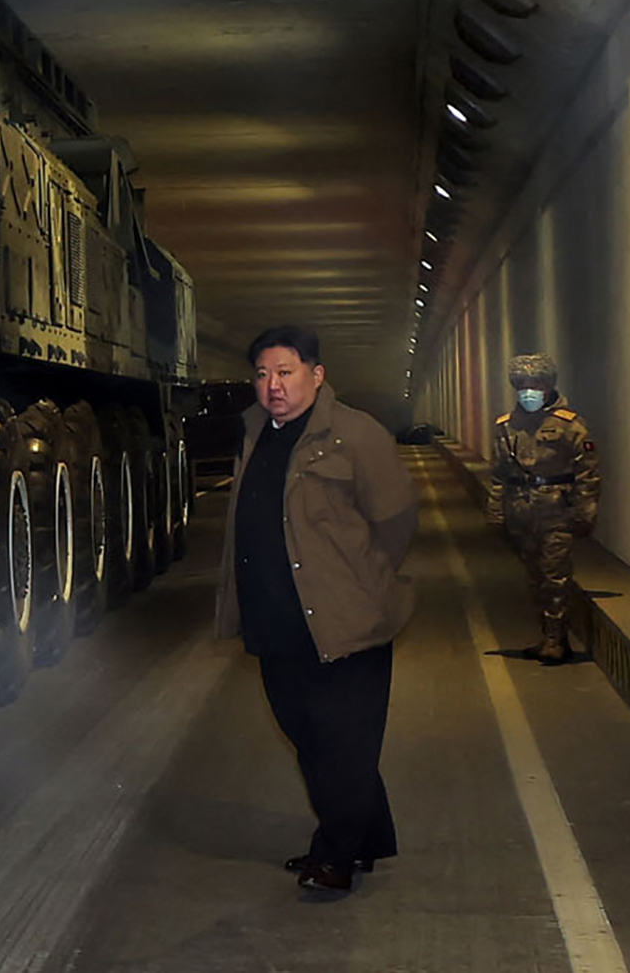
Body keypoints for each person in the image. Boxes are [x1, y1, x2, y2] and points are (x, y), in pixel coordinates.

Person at [215, 325, 418, 896]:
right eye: (261, 374)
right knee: (307, 736)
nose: (272, 385)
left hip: (346, 624)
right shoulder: (254, 433)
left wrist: (362, 587)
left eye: (285, 372)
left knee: (344, 743)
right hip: (276, 622)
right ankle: (363, 836)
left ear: (316, 374)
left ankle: (336, 856)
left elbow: (397, 521)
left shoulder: (355, 435)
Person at [490, 354, 600, 665]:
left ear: (548, 385)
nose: (528, 391)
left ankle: (557, 639)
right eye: (522, 385)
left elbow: (588, 473)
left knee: (555, 576)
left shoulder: (570, 425)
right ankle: (547, 634)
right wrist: (496, 510)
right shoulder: (507, 426)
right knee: (535, 577)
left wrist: (585, 512)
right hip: (522, 510)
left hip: (557, 511)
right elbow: (499, 472)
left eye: (534, 385)